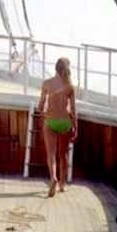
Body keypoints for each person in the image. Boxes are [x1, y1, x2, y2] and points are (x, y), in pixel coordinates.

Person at [37, 57, 77, 197]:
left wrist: (43, 113)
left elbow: (40, 105)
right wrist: (75, 127)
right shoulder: (70, 86)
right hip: (65, 122)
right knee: (63, 155)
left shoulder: (47, 83)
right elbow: (73, 110)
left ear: (55, 68)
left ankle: (53, 178)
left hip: (51, 121)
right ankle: (62, 184)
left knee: (51, 154)